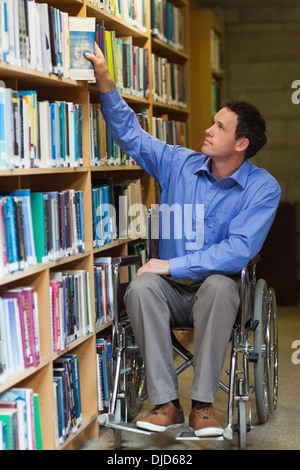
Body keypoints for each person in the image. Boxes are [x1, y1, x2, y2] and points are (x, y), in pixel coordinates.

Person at [86, 44, 281, 437]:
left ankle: (204, 406)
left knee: (218, 288)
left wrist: (172, 264)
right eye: (213, 123)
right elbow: (132, 135)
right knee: (140, 288)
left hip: (217, 289)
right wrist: (106, 82)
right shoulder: (178, 162)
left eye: (220, 128)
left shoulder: (263, 188)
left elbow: (238, 250)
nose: (208, 130)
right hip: (170, 289)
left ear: (241, 144)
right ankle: (166, 404)